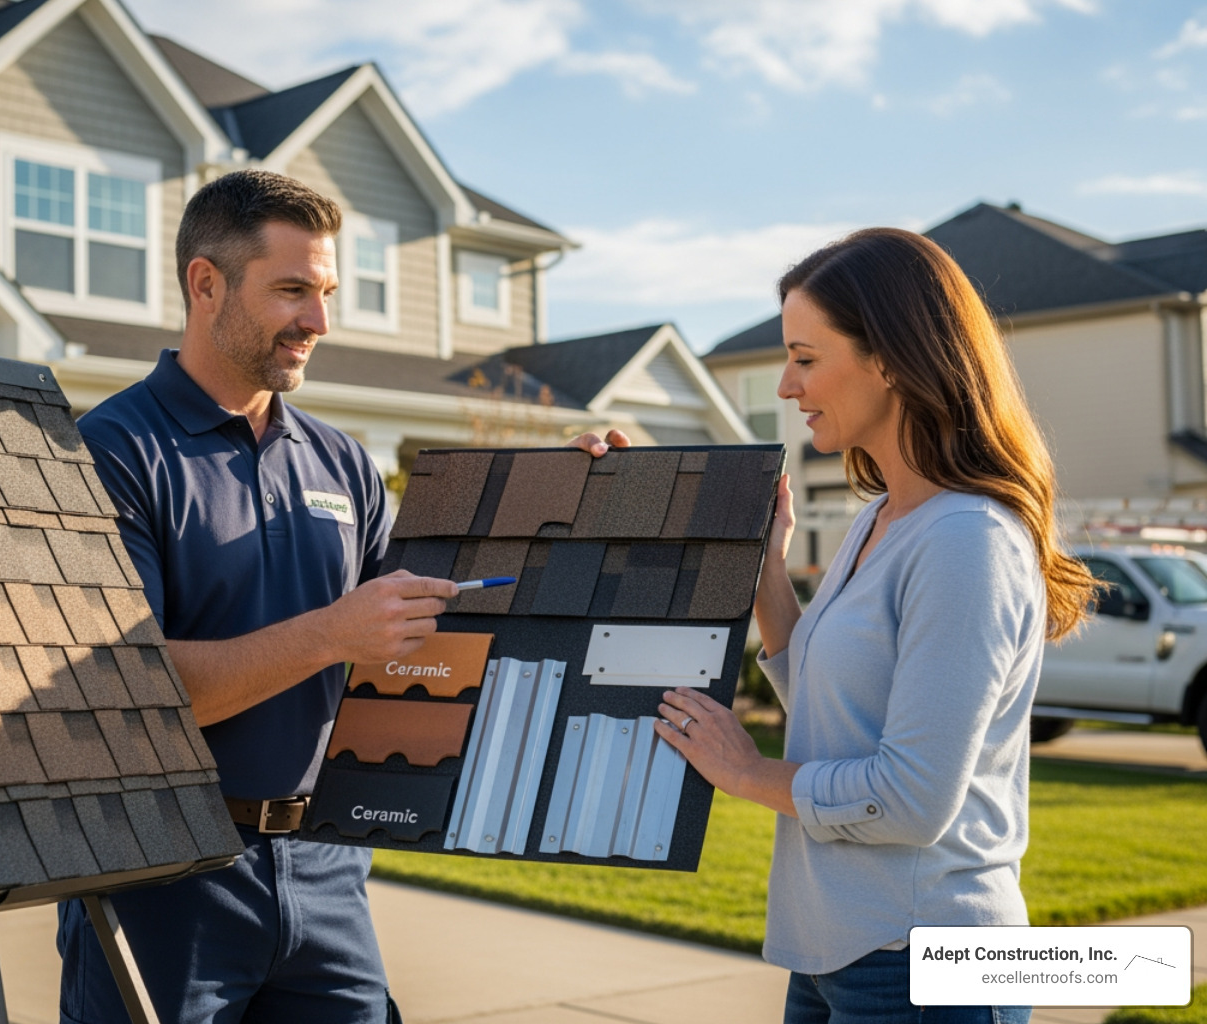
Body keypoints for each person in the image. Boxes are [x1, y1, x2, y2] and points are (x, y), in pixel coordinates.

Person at [59, 168, 626, 1024]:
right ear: (204, 284)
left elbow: (423, 622)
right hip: (161, 875)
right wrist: (331, 634)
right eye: (291, 290)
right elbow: (128, 692)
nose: (318, 321)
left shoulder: (342, 463)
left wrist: (557, 496)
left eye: (325, 292)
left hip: (324, 874)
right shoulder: (111, 452)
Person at [655, 228, 1094, 1024]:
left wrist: (748, 774)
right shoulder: (880, 520)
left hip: (923, 959)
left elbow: (911, 800)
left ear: (888, 358)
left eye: (805, 357)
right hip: (835, 949)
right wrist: (766, 574)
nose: (787, 385)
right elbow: (837, 717)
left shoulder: (967, 540)